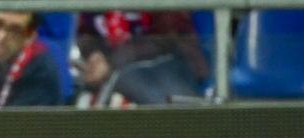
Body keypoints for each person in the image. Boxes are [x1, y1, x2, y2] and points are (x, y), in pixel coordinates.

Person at [76, 11, 209, 106]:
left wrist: (110, 64)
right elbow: (86, 32)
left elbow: (165, 39)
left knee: (125, 80)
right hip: (114, 69)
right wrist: (94, 55)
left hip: (170, 63)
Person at [0, 11, 62, 107]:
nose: (1, 37)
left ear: (30, 36)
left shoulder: (42, 70)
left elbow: (21, 120)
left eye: (15, 30)